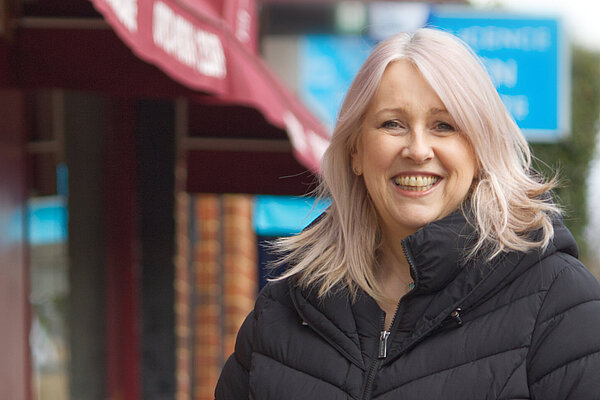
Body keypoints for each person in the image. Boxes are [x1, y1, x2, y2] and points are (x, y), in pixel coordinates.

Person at [215, 28, 600, 399]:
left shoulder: (560, 303)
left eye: (444, 126)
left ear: (480, 151)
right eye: (392, 124)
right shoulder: (281, 312)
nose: (418, 149)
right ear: (355, 152)